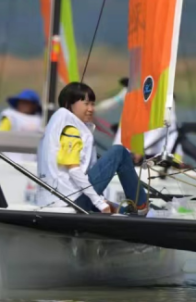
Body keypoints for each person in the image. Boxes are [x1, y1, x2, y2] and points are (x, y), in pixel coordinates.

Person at [36, 82, 149, 214]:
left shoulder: (55, 125)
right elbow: (74, 171)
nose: (91, 109)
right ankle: (141, 206)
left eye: (93, 104)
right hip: (73, 201)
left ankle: (129, 211)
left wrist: (102, 202)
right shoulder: (70, 129)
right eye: (86, 103)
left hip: (57, 199)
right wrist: (98, 202)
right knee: (119, 152)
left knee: (122, 210)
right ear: (68, 104)